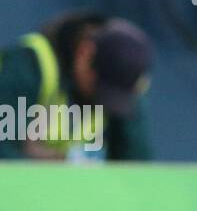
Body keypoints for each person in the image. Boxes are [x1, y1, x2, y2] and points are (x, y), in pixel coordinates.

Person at [0, 12, 153, 162]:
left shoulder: (121, 87)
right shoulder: (24, 68)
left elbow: (135, 167)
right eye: (100, 88)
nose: (105, 101)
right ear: (85, 53)